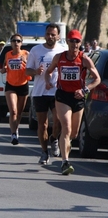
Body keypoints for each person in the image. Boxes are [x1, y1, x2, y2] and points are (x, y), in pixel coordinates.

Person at [45, 29, 100, 175]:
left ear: (80, 43)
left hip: (78, 97)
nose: (74, 44)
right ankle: (65, 162)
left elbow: (97, 79)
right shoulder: (59, 57)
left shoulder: (84, 59)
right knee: (67, 128)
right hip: (63, 96)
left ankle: (60, 145)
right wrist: (48, 81)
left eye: (77, 41)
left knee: (73, 134)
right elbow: (48, 71)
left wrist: (85, 90)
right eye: (72, 41)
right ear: (67, 42)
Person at [25, 23, 66, 164]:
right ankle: (44, 152)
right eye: (48, 34)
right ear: (45, 35)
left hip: (57, 91)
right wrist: (36, 72)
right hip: (39, 92)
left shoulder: (63, 50)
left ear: (58, 36)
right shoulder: (36, 50)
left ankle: (54, 138)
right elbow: (27, 70)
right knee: (42, 124)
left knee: (59, 121)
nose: (50, 37)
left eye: (53, 34)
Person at [1, 34, 30, 145]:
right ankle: (13, 134)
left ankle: (15, 128)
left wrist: (26, 62)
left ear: (21, 43)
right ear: (11, 43)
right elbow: (5, 67)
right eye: (14, 41)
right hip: (11, 85)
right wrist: (4, 69)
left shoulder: (26, 54)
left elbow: (33, 67)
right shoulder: (8, 54)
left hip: (23, 85)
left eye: (18, 41)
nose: (16, 43)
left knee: (19, 112)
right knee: (13, 111)